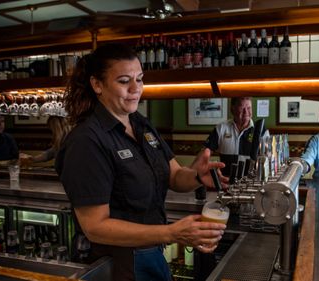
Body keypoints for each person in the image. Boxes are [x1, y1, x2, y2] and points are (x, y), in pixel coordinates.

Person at [55, 43, 227, 280]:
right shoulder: (87, 141)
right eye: (124, 81)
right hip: (119, 264)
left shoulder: (140, 124)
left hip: (151, 252)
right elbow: (95, 227)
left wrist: (197, 175)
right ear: (97, 85)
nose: (136, 88)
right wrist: (171, 233)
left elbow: (175, 176)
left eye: (140, 78)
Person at [204, 97, 269, 177]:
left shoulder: (261, 130)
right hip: (226, 182)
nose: (246, 112)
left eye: (249, 108)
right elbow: (205, 153)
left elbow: (268, 158)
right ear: (232, 109)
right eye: (242, 108)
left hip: (251, 183)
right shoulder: (221, 128)